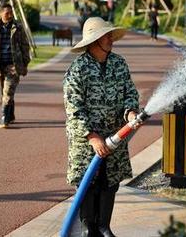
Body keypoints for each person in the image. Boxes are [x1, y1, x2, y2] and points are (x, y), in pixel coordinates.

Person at [63, 17, 140, 237]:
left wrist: (131, 112)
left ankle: (104, 227)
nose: (110, 39)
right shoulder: (78, 70)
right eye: (106, 35)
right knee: (88, 184)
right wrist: (92, 137)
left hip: (115, 137)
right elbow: (73, 108)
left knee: (110, 182)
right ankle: (89, 229)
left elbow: (129, 94)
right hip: (88, 143)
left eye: (110, 35)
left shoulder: (119, 63)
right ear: (94, 40)